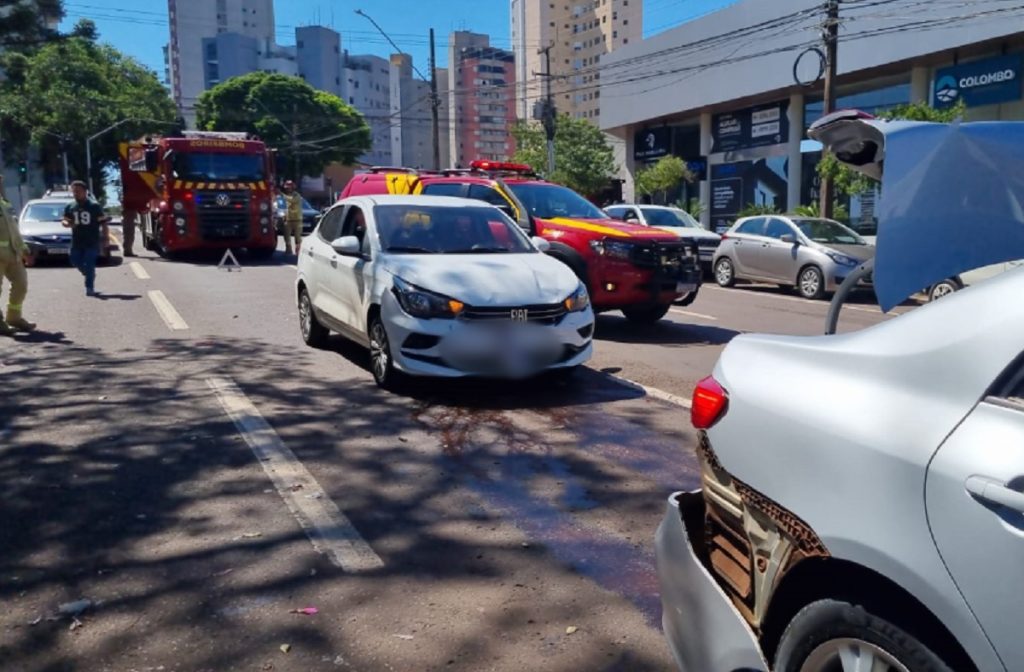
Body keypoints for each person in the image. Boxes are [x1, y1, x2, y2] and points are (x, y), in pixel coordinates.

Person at [0, 175, 35, 335]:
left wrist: (24, 249)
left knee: (21, 285)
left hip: (13, 254)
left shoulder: (4, 204)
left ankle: (14, 317)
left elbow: (14, 230)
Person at [63, 180, 108, 297]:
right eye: (74, 191)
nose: (76, 193)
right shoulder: (70, 206)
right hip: (77, 240)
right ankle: (87, 272)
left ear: (85, 191)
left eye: (78, 191)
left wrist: (105, 237)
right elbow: (65, 220)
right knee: (74, 260)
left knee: (89, 263)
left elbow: (103, 222)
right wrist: (66, 224)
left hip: (91, 240)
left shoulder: (94, 206)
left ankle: (89, 287)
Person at [281, 180, 303, 255]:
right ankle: (288, 249)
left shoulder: (296, 195)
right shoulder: (286, 197)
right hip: (288, 219)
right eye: (287, 188)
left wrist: (282, 195)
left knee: (297, 236)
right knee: (286, 235)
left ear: (293, 188)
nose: (288, 189)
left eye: (289, 187)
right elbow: (284, 207)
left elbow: (292, 200)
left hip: (297, 219)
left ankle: (298, 250)